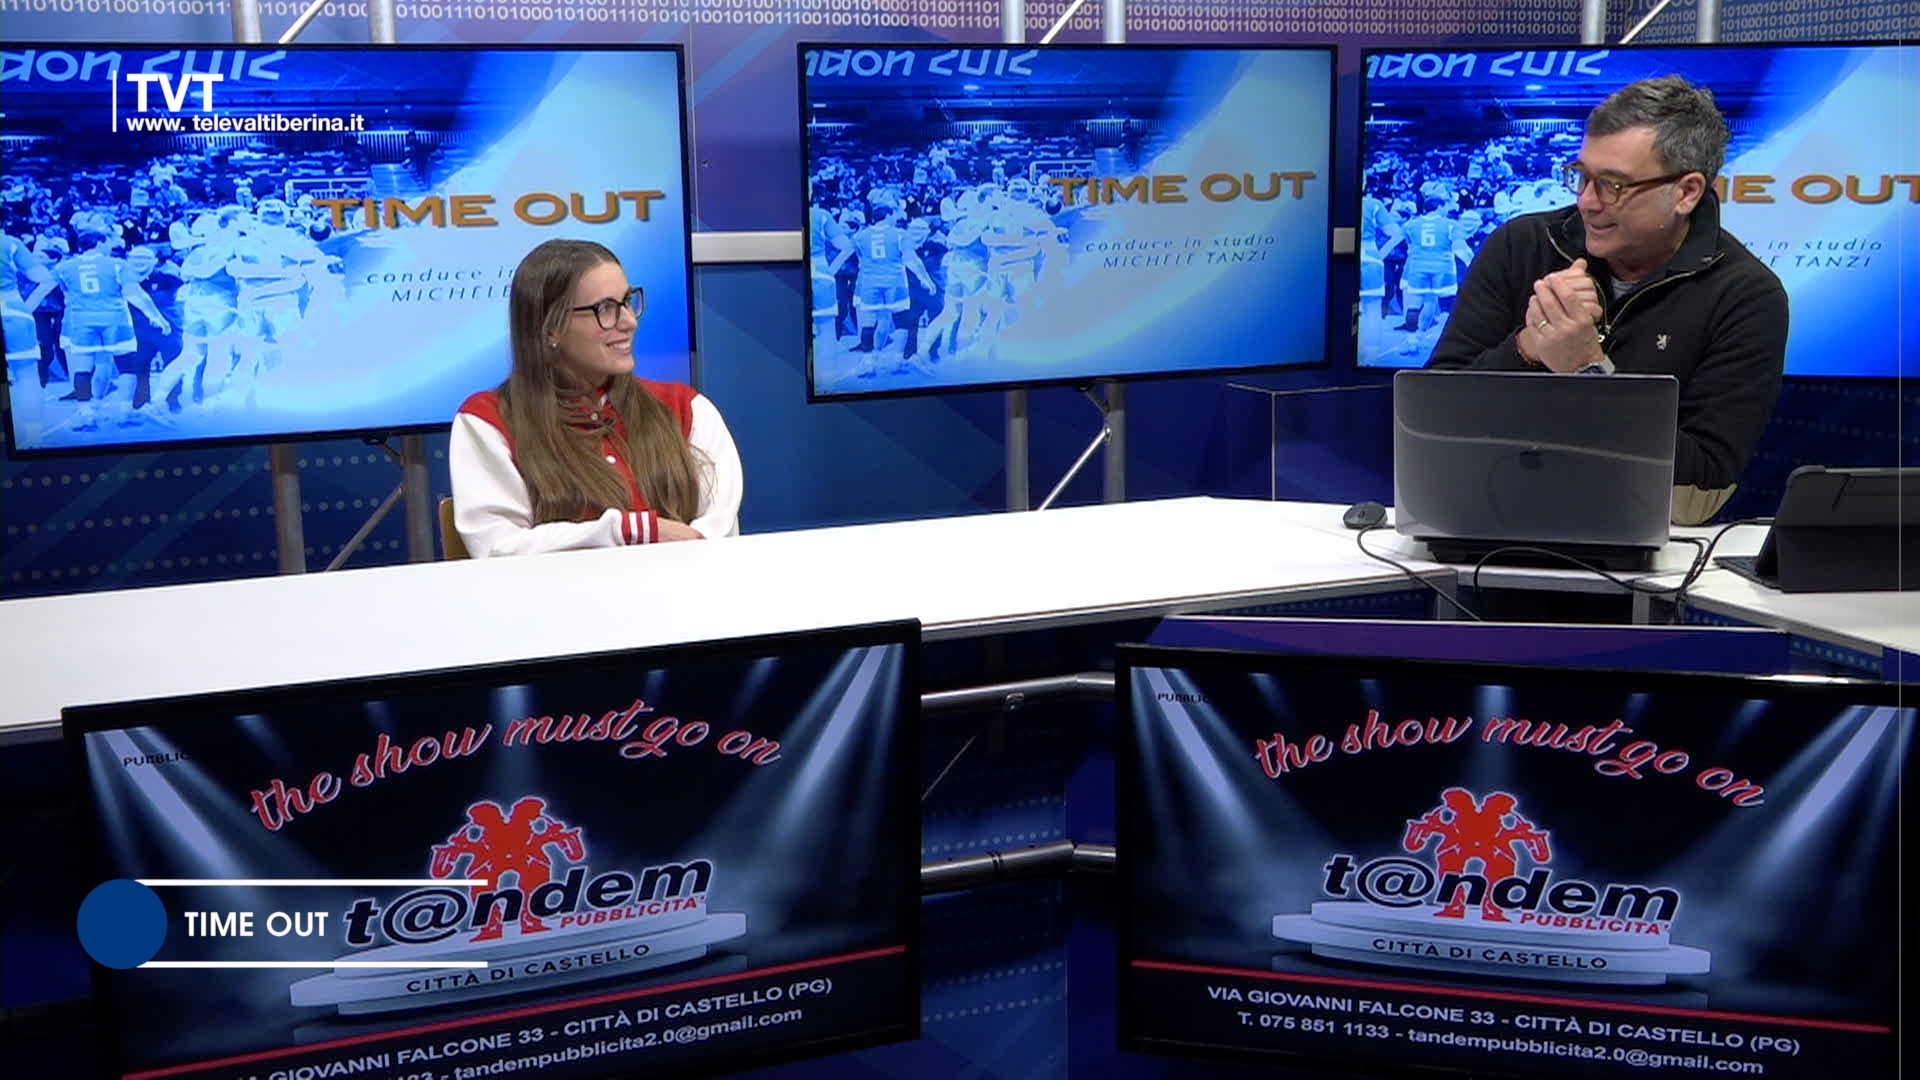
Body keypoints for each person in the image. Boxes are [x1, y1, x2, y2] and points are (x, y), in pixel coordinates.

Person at [1427, 76, 1788, 526]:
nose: (1586, 202)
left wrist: (1587, 371)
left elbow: (1698, 493)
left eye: (1612, 185)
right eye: (1581, 176)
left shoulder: (1746, 296)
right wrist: (1529, 348)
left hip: (1644, 554)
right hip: (1485, 519)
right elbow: (1431, 421)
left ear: (1686, 192)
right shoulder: (1520, 246)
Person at [449, 239, 742, 556]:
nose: (629, 321)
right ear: (550, 329)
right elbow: (498, 547)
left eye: (627, 301)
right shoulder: (487, 421)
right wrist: (627, 532)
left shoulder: (686, 409)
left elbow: (719, 534)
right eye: (605, 309)